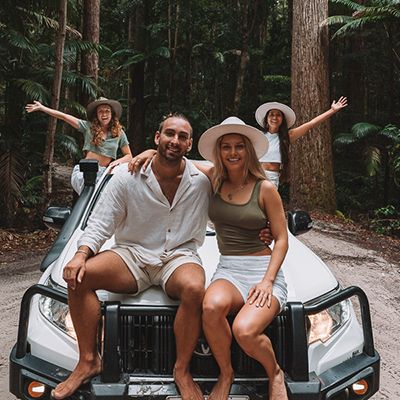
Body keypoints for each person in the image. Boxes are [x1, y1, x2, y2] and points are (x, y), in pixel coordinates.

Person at [51, 113, 210, 400]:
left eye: (182, 136)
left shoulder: (202, 180)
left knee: (195, 287)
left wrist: (266, 229)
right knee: (80, 276)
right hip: (132, 255)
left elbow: (242, 181)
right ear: (156, 137)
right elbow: (100, 223)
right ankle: (88, 360)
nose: (175, 140)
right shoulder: (127, 176)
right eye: (169, 134)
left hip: (178, 257)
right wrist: (80, 255)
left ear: (190, 144)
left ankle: (182, 370)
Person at [196, 117, 289, 400]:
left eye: (239, 146)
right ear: (219, 151)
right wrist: (146, 153)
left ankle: (275, 373)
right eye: (226, 147)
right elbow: (177, 161)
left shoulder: (266, 189)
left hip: (262, 270)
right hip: (229, 268)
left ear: (248, 150)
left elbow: (282, 238)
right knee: (210, 307)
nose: (233, 152)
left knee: (245, 330)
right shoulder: (213, 178)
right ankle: (226, 374)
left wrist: (267, 281)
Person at [25, 97, 132, 194]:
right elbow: (64, 117)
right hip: (85, 171)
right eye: (101, 111)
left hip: (104, 172)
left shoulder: (119, 132)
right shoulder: (88, 127)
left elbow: (128, 156)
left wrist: (116, 162)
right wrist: (42, 108)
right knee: (90, 195)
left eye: (107, 111)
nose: (104, 114)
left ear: (112, 113)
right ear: (96, 115)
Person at [255, 97, 348, 187]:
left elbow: (312, 123)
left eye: (278, 115)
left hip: (272, 178)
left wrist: (332, 110)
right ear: (266, 118)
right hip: (255, 176)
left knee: (267, 202)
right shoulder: (258, 136)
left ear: (282, 120)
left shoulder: (287, 136)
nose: (274, 117)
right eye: (271, 114)